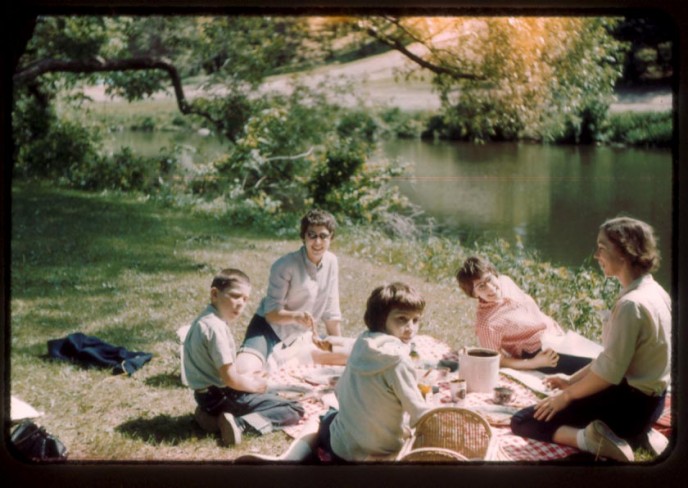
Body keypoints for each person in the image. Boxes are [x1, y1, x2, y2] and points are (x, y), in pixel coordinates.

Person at [510, 217, 671, 462]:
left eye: (602, 247)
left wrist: (567, 395)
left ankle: (595, 439)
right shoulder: (655, 290)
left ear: (625, 252)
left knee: (523, 420)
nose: (596, 255)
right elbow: (612, 357)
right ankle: (636, 435)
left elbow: (609, 373)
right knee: (566, 367)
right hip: (652, 404)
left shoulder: (632, 304)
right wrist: (571, 380)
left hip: (630, 409)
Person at [183, 268, 305, 446]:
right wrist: (253, 385)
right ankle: (238, 425)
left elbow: (224, 373)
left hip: (205, 396)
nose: (240, 303)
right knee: (293, 409)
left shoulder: (204, 320)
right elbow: (230, 379)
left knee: (272, 392)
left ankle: (211, 417)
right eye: (235, 296)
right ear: (215, 294)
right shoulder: (216, 328)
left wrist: (248, 379)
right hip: (222, 395)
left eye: (245, 299)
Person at [317, 282, 431, 462]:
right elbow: (421, 414)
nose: (411, 327)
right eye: (402, 319)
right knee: (328, 418)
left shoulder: (362, 343)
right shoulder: (398, 360)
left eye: (415, 320)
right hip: (384, 451)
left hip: (343, 447)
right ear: (381, 319)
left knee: (328, 418)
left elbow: (339, 391)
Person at [236, 209, 345, 374]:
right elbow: (271, 313)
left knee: (348, 356)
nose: (317, 242)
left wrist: (337, 346)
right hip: (268, 329)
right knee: (244, 370)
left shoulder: (332, 262)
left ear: (331, 238)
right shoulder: (285, 265)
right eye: (312, 235)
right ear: (303, 237)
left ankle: (279, 363)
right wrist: (296, 316)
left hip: (300, 337)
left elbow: (331, 312)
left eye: (323, 236)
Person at [456, 256, 591, 374]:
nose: (491, 288)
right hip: (540, 352)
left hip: (557, 336)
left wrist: (558, 332)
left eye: (489, 279)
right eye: (481, 286)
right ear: (473, 294)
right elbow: (497, 359)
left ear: (493, 273)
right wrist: (533, 363)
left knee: (604, 357)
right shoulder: (487, 324)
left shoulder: (506, 281)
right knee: (596, 367)